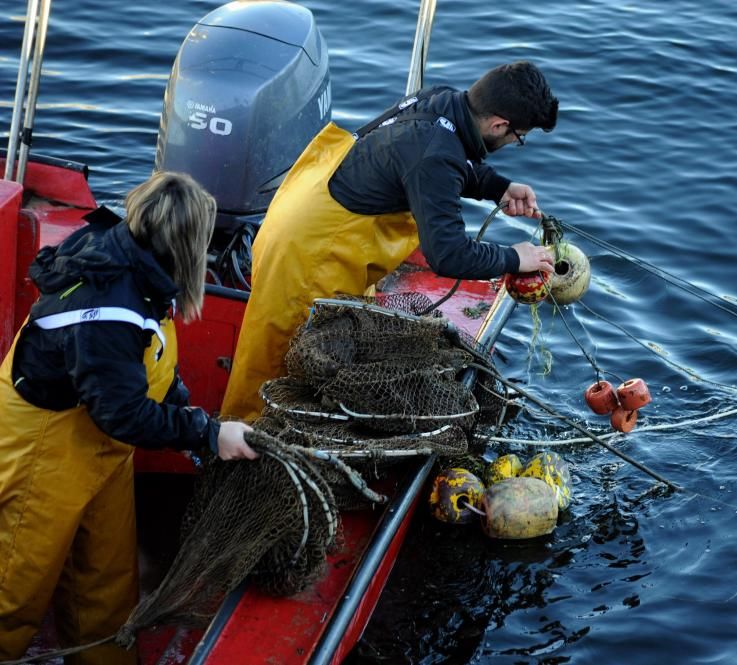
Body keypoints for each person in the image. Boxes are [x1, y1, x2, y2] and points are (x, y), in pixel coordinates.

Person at [0, 172, 258, 665]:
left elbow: (147, 363)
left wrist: (181, 403)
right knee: (14, 587)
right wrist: (206, 433)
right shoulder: (107, 311)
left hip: (99, 450)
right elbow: (122, 412)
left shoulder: (134, 261)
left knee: (105, 581)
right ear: (188, 246)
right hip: (45, 451)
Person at [221, 60, 560, 421]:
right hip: (309, 251)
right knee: (277, 363)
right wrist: (514, 257)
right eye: (517, 137)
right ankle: (241, 442)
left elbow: (431, 161)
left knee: (328, 348)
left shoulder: (443, 99)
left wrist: (497, 186)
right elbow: (448, 255)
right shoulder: (435, 155)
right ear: (499, 124)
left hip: (311, 203)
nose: (514, 143)